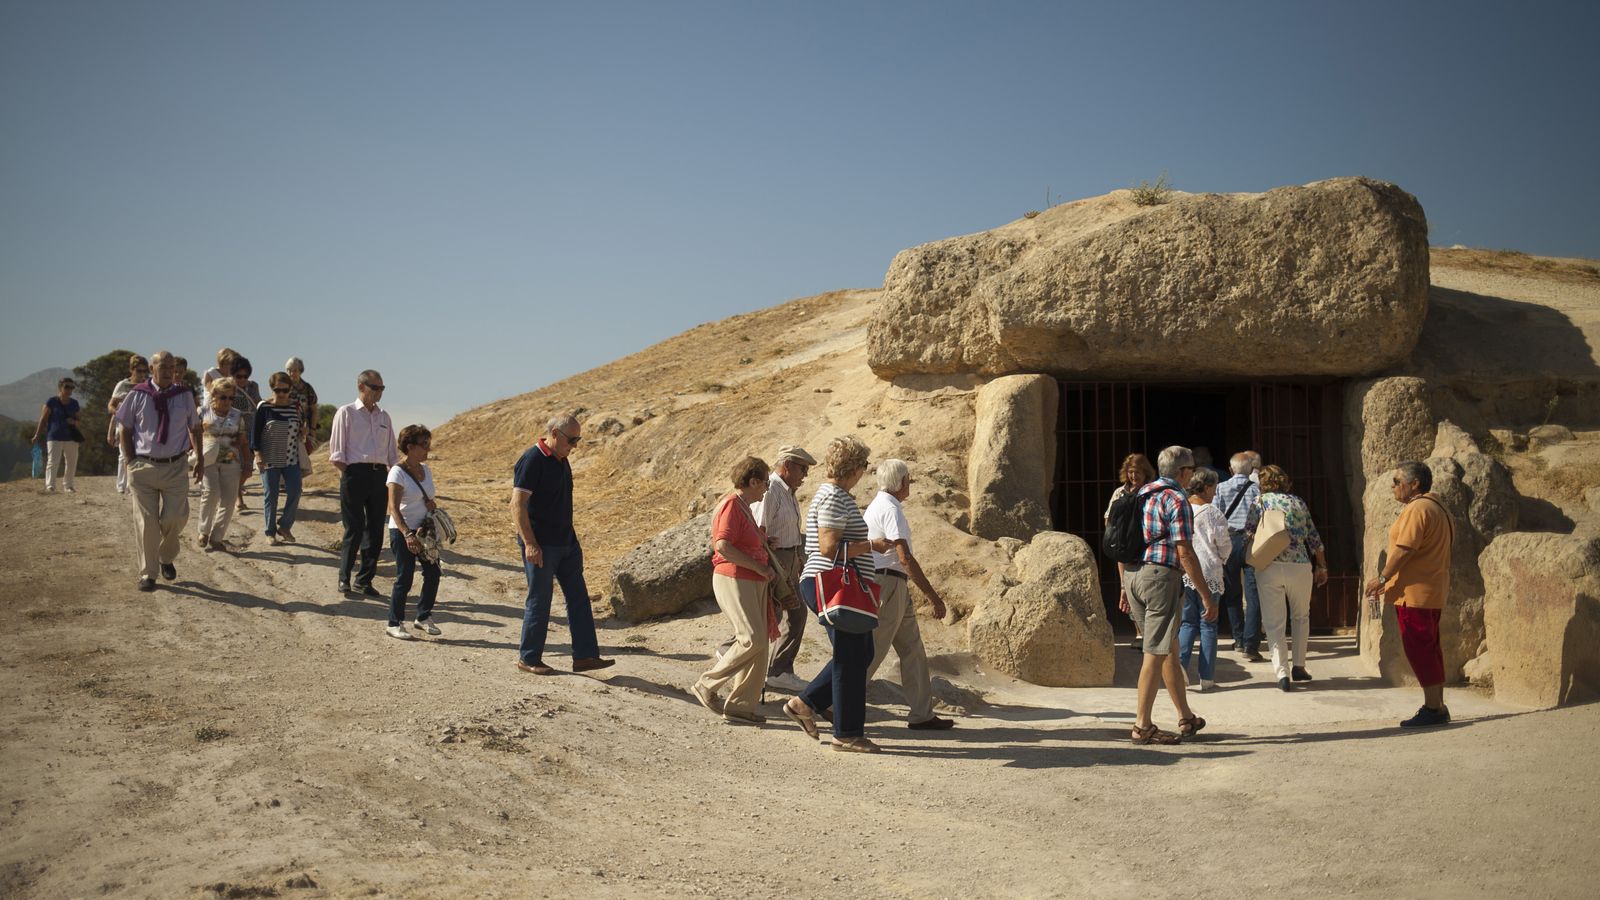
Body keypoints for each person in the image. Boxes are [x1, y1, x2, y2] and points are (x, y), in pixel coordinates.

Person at [781, 435, 881, 753]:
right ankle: (847, 733)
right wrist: (871, 546)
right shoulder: (835, 497)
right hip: (833, 584)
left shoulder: (835, 495)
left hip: (832, 584)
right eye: (863, 465)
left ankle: (805, 703)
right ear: (853, 467)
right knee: (851, 656)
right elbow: (828, 547)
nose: (864, 471)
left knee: (859, 653)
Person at [1119, 445, 1214, 745]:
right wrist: (1206, 594)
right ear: (1184, 472)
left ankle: (1185, 717)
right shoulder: (1177, 498)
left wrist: (1123, 584)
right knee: (1155, 653)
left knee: (1168, 649)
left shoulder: (1142, 493)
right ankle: (1142, 725)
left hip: (1135, 576)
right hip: (1161, 577)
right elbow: (1184, 552)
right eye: (1192, 470)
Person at [510, 414, 614, 675]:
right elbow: (517, 505)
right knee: (540, 600)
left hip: (566, 543)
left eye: (578, 440)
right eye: (572, 439)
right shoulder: (532, 459)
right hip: (541, 545)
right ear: (555, 433)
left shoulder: (562, 460)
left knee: (579, 598)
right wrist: (530, 544)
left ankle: (585, 656)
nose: (575, 446)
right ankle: (529, 658)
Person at [864, 458, 954, 729]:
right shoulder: (890, 509)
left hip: (894, 585)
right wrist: (933, 596)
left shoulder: (881, 505)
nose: (910, 483)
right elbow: (904, 557)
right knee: (872, 652)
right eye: (909, 479)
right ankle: (829, 703)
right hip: (888, 584)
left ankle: (921, 714)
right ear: (902, 482)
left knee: (913, 650)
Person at [1365, 460, 1455, 727]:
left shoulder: (1418, 508)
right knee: (1430, 648)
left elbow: (1405, 549)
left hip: (1414, 592)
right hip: (1432, 589)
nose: (1393, 487)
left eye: (1397, 482)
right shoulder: (1438, 507)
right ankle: (1437, 705)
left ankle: (1432, 707)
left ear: (1414, 484)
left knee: (1419, 648)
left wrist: (1382, 578)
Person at [691, 456, 777, 723]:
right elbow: (723, 546)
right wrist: (760, 567)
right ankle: (707, 684)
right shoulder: (730, 505)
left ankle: (741, 705)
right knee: (753, 639)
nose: (766, 488)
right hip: (735, 579)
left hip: (750, 581)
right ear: (753, 481)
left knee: (760, 644)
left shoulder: (743, 507)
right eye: (765, 483)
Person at [115, 351, 204, 591]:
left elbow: (195, 428)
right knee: (147, 522)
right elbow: (124, 428)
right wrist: (130, 462)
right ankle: (148, 573)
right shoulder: (137, 394)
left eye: (172, 367)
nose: (168, 371)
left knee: (175, 517)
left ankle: (166, 556)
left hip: (176, 466)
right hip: (143, 466)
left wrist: (201, 460)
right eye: (163, 366)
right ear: (152, 368)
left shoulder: (184, 395)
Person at [1245, 464, 1329, 692]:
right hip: (1300, 565)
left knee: (1274, 623)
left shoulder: (1259, 503)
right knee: (1301, 616)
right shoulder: (1298, 503)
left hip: (1269, 566)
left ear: (1263, 483)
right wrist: (1321, 565)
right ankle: (1299, 665)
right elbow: (1313, 537)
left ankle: (1282, 673)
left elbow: (1249, 532)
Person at [752, 445, 816, 690]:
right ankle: (731, 651)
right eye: (802, 468)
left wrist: (797, 559)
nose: (805, 475)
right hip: (774, 560)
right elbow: (759, 528)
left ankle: (779, 671)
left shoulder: (786, 491)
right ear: (787, 465)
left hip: (789, 560)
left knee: (795, 612)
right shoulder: (771, 490)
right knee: (770, 615)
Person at [328, 370, 396, 595]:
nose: (379, 393)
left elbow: (392, 454)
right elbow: (337, 453)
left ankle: (365, 579)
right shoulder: (346, 413)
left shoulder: (384, 417)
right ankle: (344, 577)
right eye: (375, 388)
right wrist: (350, 475)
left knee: (376, 529)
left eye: (382, 389)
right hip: (354, 474)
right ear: (361, 387)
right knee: (354, 527)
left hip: (379, 476)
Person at [386, 425, 443, 641]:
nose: (427, 449)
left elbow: (426, 497)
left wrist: (430, 505)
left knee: (433, 573)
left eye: (428, 444)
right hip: (403, 532)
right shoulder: (397, 472)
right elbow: (392, 507)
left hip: (424, 532)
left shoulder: (425, 469)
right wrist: (407, 535)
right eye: (423, 445)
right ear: (409, 447)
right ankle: (394, 622)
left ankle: (423, 616)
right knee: (405, 577)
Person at [1177, 468, 1230, 691]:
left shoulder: (1182, 508)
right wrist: (1222, 559)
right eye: (1215, 488)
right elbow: (1224, 544)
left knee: (1187, 622)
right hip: (1209, 572)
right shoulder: (1213, 513)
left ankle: (1180, 667)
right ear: (1207, 487)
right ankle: (1206, 677)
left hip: (1186, 571)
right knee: (1208, 623)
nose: (1215, 493)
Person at [1216, 452, 1264, 660]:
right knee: (1254, 594)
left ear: (1230, 469)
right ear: (1251, 468)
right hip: (1251, 541)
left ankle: (1238, 639)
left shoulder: (1221, 487)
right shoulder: (1257, 488)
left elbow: (1218, 517)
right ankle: (1251, 644)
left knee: (1233, 593)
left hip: (1229, 541)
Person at [1106, 453, 1156, 648]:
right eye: (1131, 472)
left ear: (1146, 473)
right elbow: (1109, 517)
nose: (1134, 476)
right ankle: (1138, 632)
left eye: (1138, 472)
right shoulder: (1120, 493)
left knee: (1146, 588)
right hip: (1126, 547)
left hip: (1146, 545)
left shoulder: (1151, 491)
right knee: (1127, 587)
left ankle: (1148, 632)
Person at [195, 378, 251, 552]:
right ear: (214, 396)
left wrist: (248, 463)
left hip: (230, 460)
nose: (227, 401)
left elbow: (243, 441)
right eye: (223, 397)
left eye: (231, 398)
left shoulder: (237, 415)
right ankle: (203, 531)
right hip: (209, 460)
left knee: (228, 499)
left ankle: (217, 537)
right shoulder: (202, 412)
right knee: (210, 493)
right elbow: (192, 435)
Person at [253, 372, 304, 546]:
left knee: (296, 490)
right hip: (270, 457)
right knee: (271, 495)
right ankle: (270, 532)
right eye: (277, 389)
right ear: (271, 389)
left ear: (290, 390)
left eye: (285, 390)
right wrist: (257, 454)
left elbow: (299, 428)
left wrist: (303, 432)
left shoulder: (295, 407)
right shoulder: (264, 407)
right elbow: (255, 433)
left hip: (291, 457)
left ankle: (285, 525)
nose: (281, 393)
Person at [108, 354, 149, 495]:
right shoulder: (122, 385)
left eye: (145, 371)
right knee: (124, 454)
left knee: (139, 454)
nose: (142, 374)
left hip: (142, 426)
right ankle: (122, 484)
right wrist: (120, 415)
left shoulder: (148, 385)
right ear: (131, 369)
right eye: (139, 370)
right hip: (125, 425)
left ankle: (134, 484)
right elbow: (111, 405)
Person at [32, 377, 81, 493]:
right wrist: (37, 435)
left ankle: (68, 486)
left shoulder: (74, 403)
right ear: (60, 387)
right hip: (54, 436)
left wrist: (74, 422)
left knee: (72, 461)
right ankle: (50, 485)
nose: (69, 390)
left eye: (71, 387)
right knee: (53, 461)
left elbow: (79, 420)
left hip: (71, 437)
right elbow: (43, 419)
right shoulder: (51, 401)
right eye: (67, 387)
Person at [231, 357, 262, 512]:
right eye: (239, 376)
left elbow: (258, 403)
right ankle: (238, 499)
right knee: (237, 466)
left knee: (248, 469)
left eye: (245, 376)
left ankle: (236, 490)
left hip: (251, 430)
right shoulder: (228, 388)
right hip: (233, 433)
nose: (242, 379)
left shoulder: (253, 386)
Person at [285, 357, 319, 480]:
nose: (291, 373)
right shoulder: (283, 387)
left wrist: (313, 430)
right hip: (287, 428)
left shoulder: (308, 388)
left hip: (304, 429)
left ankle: (295, 482)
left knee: (302, 455)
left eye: (294, 370)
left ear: (300, 371)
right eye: (288, 370)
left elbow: (314, 410)